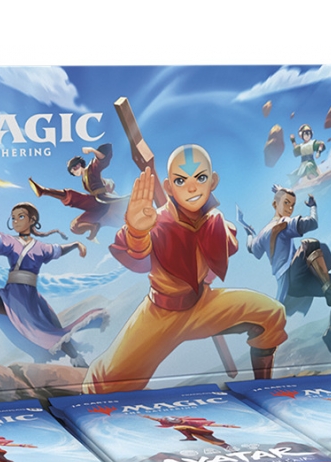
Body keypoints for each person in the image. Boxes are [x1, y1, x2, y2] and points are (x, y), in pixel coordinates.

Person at [81, 145, 287, 394]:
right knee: (104, 381)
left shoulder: (216, 221)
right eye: (181, 180)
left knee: (271, 314)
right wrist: (136, 230)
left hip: (203, 303)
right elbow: (137, 256)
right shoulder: (155, 221)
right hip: (161, 313)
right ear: (169, 187)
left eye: (200, 178)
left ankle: (264, 390)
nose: (191, 188)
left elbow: (223, 249)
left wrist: (207, 269)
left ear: (213, 181)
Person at [0, 192, 107, 367]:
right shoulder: (9, 241)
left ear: (32, 220)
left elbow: (58, 250)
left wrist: (76, 244)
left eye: (21, 216)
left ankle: (77, 360)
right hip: (10, 295)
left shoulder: (41, 248)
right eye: (13, 218)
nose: (16, 221)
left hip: (30, 299)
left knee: (51, 331)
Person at [244, 185, 331, 356]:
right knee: (309, 244)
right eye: (286, 203)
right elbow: (313, 223)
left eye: (292, 205)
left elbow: (251, 248)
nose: (290, 208)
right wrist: (313, 206)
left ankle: (330, 332)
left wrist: (249, 234)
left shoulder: (261, 236)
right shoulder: (284, 223)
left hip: (300, 283)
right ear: (275, 204)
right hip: (292, 278)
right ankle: (329, 290)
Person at [28, 143, 126, 240]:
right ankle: (94, 227)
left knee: (71, 196)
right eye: (73, 173)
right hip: (98, 207)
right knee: (74, 226)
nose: (75, 173)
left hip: (101, 201)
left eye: (74, 170)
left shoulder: (91, 169)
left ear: (79, 165)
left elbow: (102, 160)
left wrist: (92, 150)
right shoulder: (84, 179)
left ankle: (44, 191)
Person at [141, 415, 239, 450]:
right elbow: (158, 420)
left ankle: (229, 447)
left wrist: (226, 425)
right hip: (194, 432)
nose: (175, 420)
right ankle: (190, 437)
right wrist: (149, 417)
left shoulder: (189, 422)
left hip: (201, 431)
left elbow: (209, 424)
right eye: (172, 421)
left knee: (213, 440)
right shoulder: (177, 425)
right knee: (212, 441)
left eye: (174, 419)